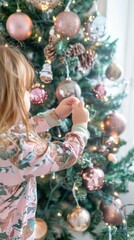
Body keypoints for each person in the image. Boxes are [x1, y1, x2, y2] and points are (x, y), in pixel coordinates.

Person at [0, 45, 89, 240]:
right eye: (24, 89)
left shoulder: (7, 135)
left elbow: (23, 130)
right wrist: (80, 126)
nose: (28, 93)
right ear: (12, 98)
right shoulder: (18, 148)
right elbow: (66, 155)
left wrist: (54, 115)